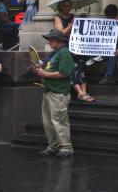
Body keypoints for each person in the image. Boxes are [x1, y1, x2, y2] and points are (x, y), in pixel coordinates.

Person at [34, 29, 75, 158]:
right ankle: (53, 146)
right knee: (48, 122)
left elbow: (64, 73)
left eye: (51, 39)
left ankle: (66, 147)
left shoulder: (65, 53)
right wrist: (39, 69)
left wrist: (45, 74)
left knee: (59, 121)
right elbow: (46, 67)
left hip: (59, 93)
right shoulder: (53, 53)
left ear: (59, 41)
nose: (50, 41)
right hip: (48, 90)